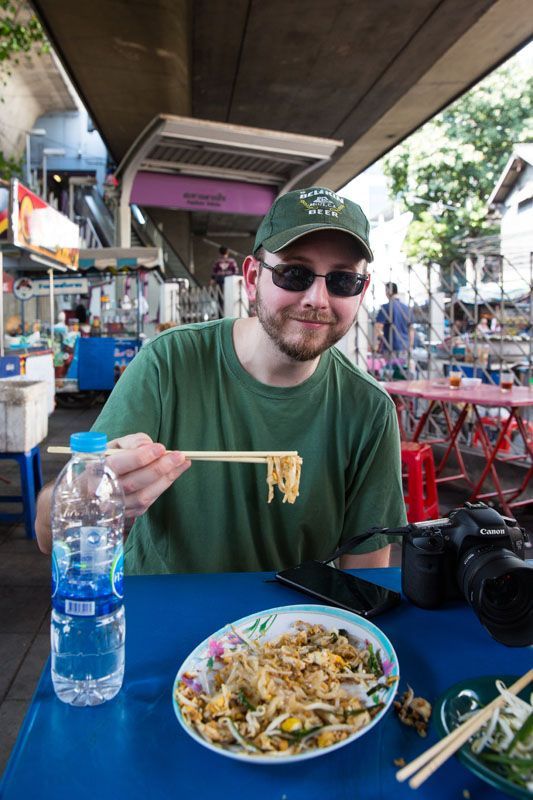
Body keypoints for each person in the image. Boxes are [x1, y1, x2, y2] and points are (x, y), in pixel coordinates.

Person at [35, 186, 406, 575]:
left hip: (294, 626)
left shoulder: (369, 410)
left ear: (362, 292)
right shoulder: (169, 363)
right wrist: (89, 497)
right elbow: (49, 536)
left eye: (343, 281)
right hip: (166, 616)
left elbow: (366, 575)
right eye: (294, 274)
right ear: (251, 278)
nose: (317, 298)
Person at [374, 282, 415, 356]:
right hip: (405, 348)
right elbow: (411, 330)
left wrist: (375, 345)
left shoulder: (386, 308)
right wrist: (410, 347)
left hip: (390, 348)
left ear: (387, 291)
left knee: (389, 367)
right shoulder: (407, 309)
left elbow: (378, 327)